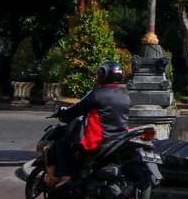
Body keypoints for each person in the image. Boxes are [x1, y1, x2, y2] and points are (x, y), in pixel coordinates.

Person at [46, 60, 130, 188]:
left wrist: (63, 113)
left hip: (98, 138)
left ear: (103, 74)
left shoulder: (97, 93)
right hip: (118, 137)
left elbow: (77, 108)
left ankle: (66, 176)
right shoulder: (125, 95)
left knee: (62, 144)